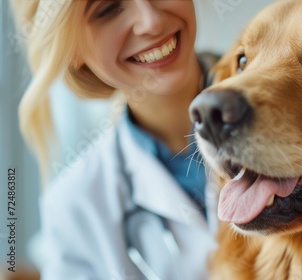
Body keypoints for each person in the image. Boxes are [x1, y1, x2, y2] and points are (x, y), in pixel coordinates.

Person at [11, 0, 220, 279]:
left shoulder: (289, 95)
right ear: (71, 49)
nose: (152, 21)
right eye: (108, 8)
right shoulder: (74, 206)